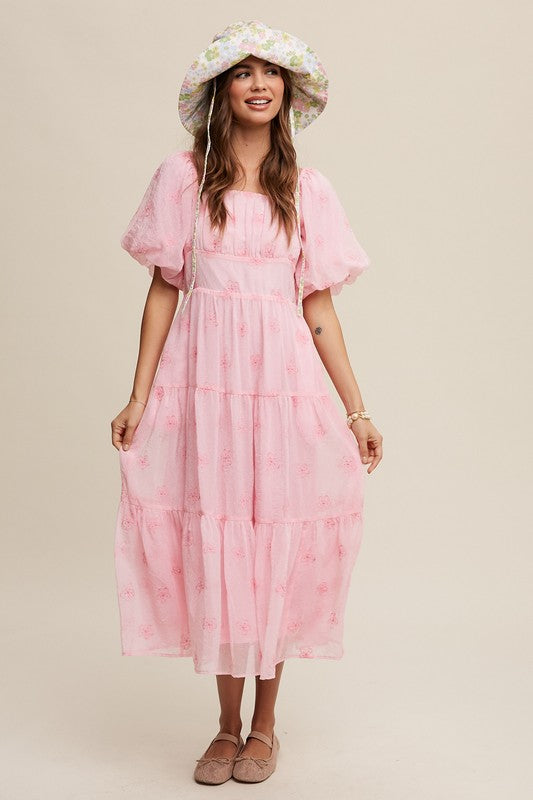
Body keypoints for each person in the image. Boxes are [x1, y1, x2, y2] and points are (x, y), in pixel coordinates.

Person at [110, 19, 383, 785]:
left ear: (287, 94)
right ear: (220, 91)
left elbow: (319, 308)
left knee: (273, 546)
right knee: (216, 543)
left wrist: (356, 409)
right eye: (243, 72)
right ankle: (223, 727)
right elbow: (164, 290)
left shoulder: (308, 190)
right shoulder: (181, 179)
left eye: (271, 73)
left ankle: (265, 726)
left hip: (282, 391)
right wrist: (137, 396)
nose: (259, 83)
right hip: (206, 391)